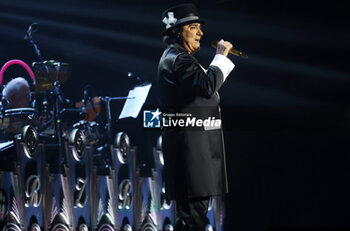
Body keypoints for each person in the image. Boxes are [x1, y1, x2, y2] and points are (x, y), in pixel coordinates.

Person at [157, 3, 235, 231]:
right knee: (194, 220)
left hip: (193, 153)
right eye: (193, 27)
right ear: (175, 32)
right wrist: (220, 56)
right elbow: (207, 85)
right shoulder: (178, 59)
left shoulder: (177, 58)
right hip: (191, 154)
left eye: (200, 27)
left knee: (192, 219)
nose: (200, 32)